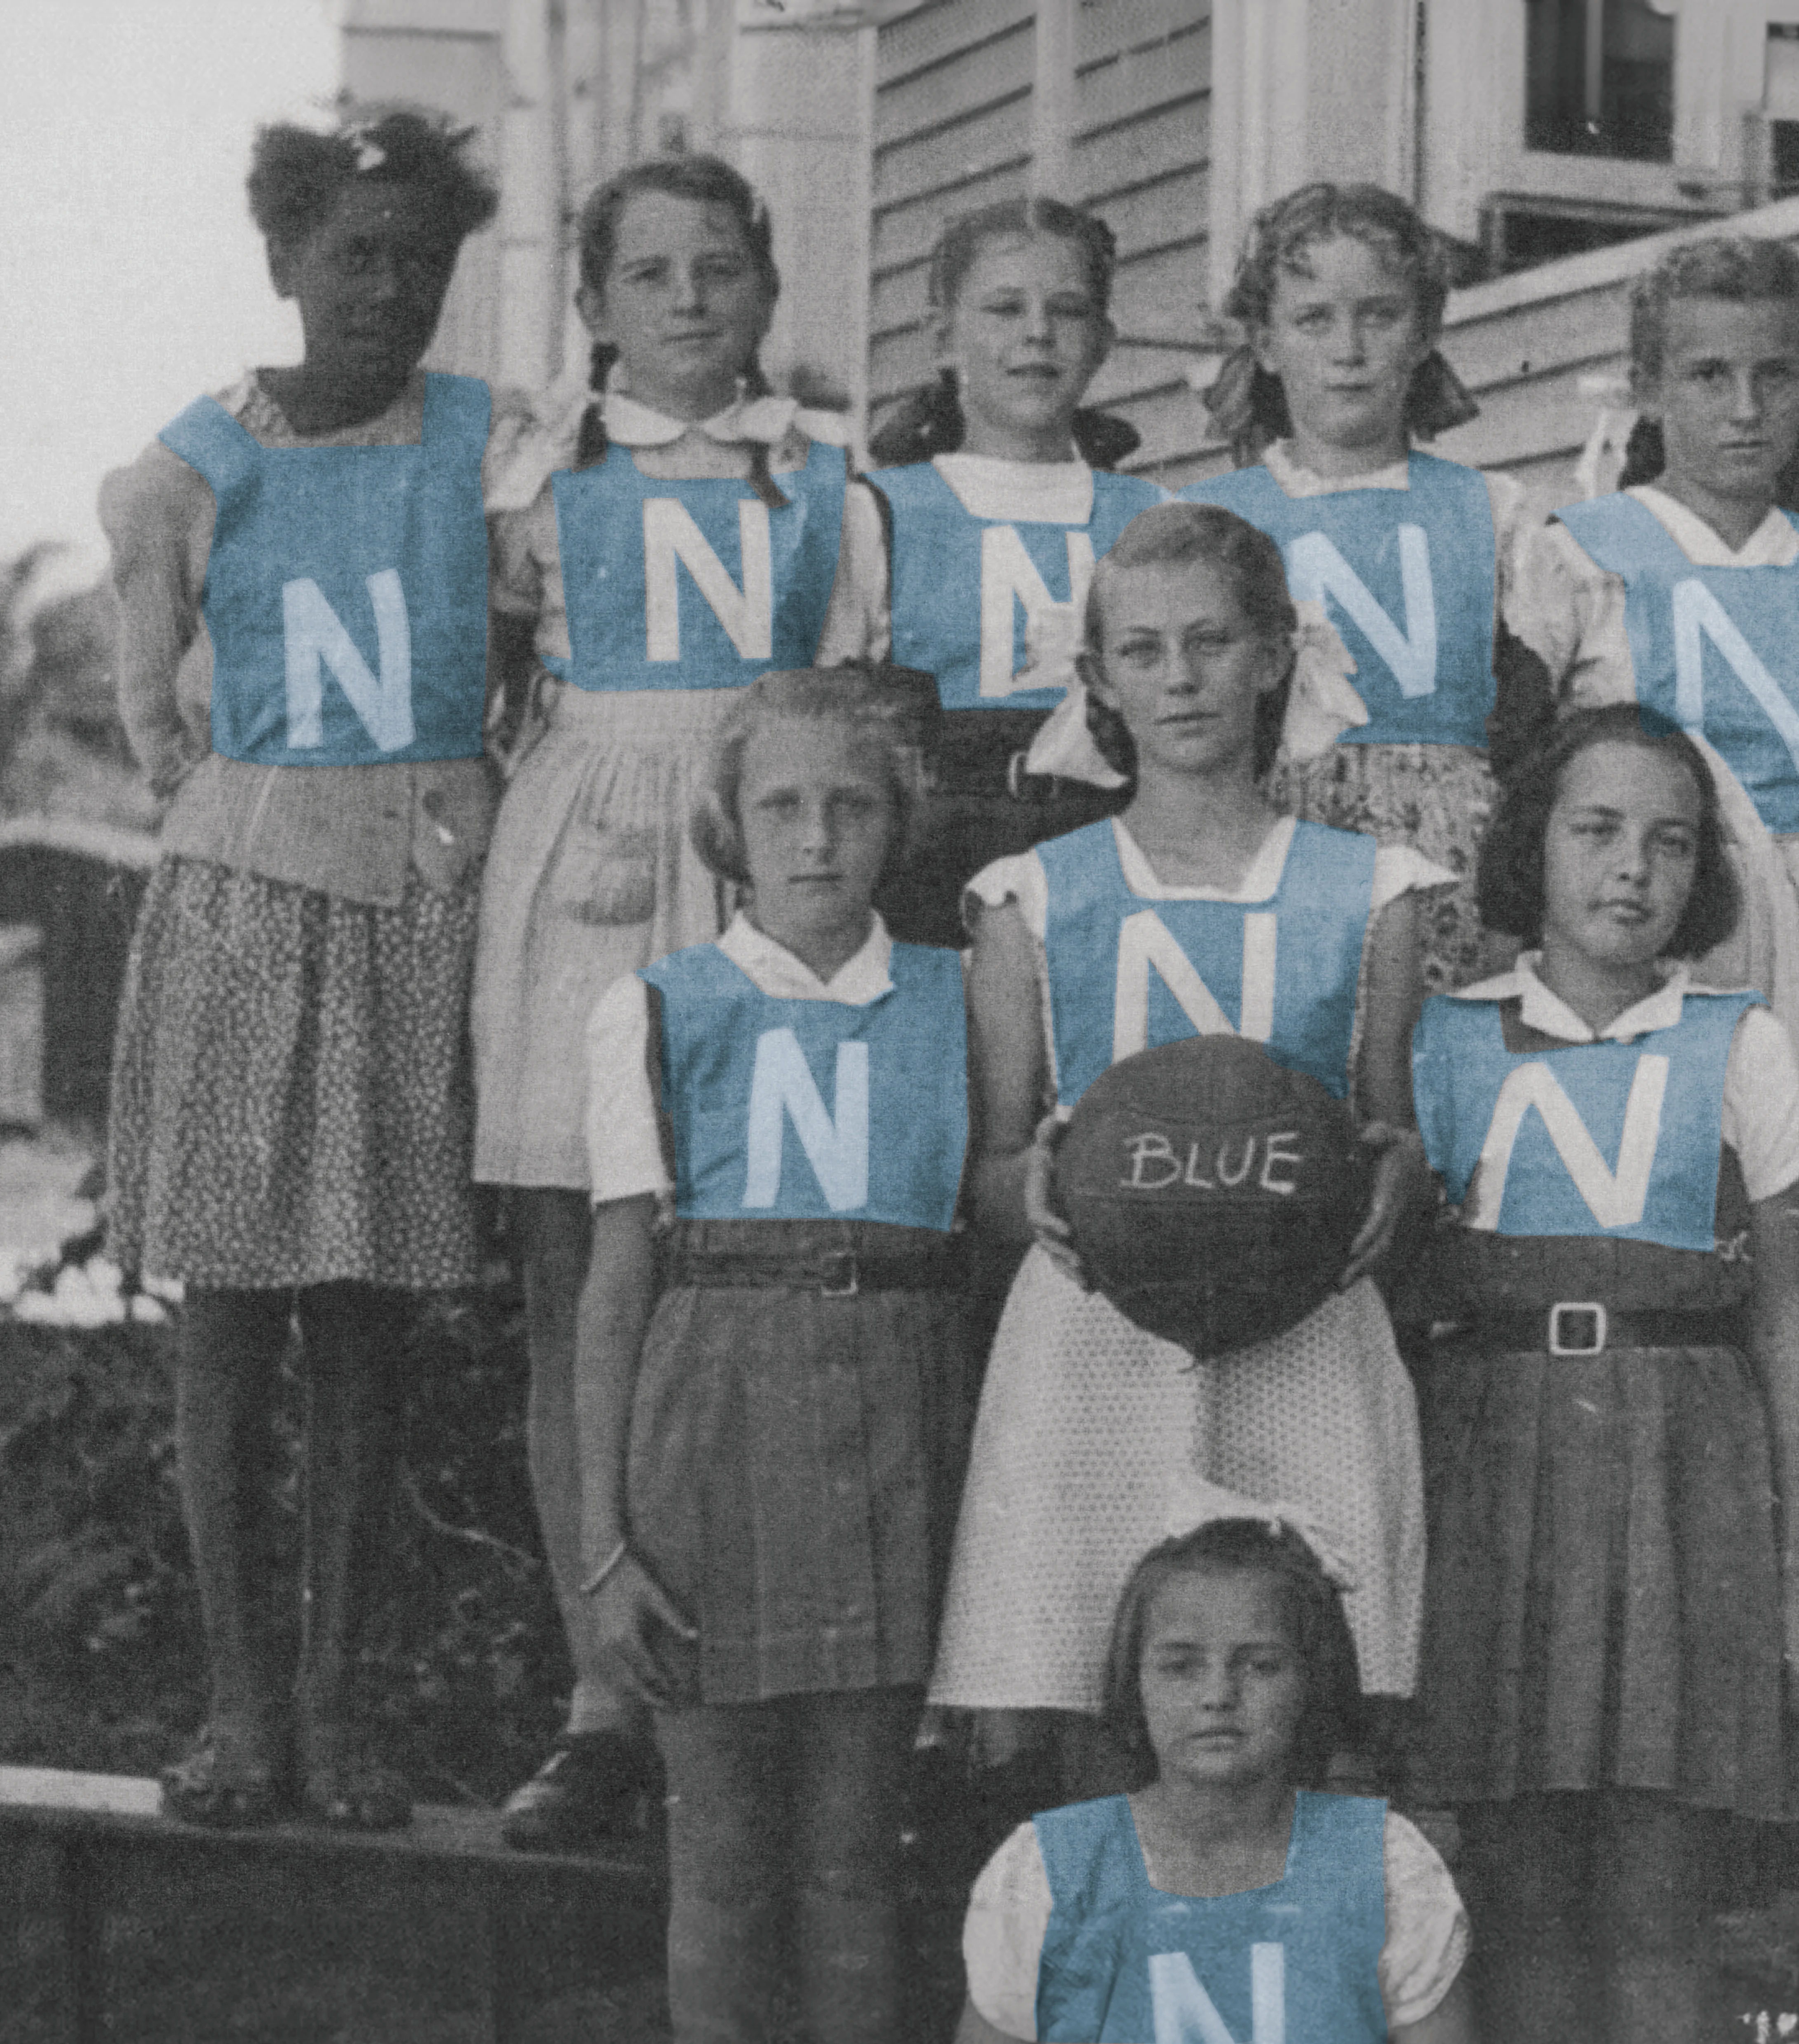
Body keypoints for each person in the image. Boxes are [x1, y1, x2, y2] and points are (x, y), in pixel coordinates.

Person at [101, 106, 529, 1831]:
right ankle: (240, 1712)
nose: (391, 288)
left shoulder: (488, 449)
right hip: (249, 902)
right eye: (357, 254)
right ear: (284, 259)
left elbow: (526, 645)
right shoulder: (195, 466)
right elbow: (154, 719)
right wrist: (261, 826)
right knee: (230, 1317)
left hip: (419, 911)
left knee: (365, 1323)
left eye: (422, 261)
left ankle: (343, 1714)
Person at [927, 502, 1442, 1784]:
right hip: (1099, 1336)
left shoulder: (1367, 888)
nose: (1181, 678)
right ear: (1098, 678)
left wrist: (1399, 1177)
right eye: (1144, 651)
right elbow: (995, 1165)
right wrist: (1030, 1191)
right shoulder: (1032, 896)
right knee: (1103, 1696)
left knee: (1296, 1696)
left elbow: (1392, 1126)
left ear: (1274, 655)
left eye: (1211, 642)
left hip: (1303, 1325)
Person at [471, 154, 859, 1848]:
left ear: (765, 291)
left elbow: (854, 695)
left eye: (719, 268)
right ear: (597, 304)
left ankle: (782, 1685)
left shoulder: (825, 476)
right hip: (586, 872)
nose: (689, 299)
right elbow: (489, 684)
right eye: (650, 273)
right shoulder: (538, 475)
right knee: (583, 1277)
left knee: (761, 1266)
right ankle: (600, 1691)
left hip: (773, 853)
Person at [1407, 706, 1799, 2040]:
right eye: (1596, 831)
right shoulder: (1445, 1041)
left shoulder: (1742, 1041)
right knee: (1523, 1879)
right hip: (1498, 1475)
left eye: (1667, 842)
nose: (1631, 871)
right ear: (1532, 844)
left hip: (1681, 1477)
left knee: (1661, 1886)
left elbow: (1786, 1320)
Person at [573, 665, 971, 2041]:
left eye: (851, 805)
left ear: (898, 823)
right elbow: (619, 1285)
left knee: (858, 1860)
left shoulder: (958, 998)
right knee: (726, 1864)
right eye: (783, 805)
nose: (817, 838)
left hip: (893, 1436)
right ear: (728, 826)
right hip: (713, 1437)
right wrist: (606, 1544)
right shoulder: (658, 1008)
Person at [1546, 236, 1799, 1337]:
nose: (1743, 409)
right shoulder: (1582, 553)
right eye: (1707, 377)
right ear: (1650, 388)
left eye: (1774, 376)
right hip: (1637, 936)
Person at [1182, 183, 1616, 992]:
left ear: (1423, 334)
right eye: (1315, 319)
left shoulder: (1491, 513)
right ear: (1267, 343)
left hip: (1458, 869)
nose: (1348, 348)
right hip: (1279, 857)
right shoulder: (1217, 521)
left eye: (1378, 316)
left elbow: (1543, 734)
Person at [956, 1508, 1474, 2044]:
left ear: (1311, 1682)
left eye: (1259, 1666)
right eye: (1181, 1666)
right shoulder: (1052, 1870)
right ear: (1135, 1683)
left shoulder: (1383, 1865)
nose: (1218, 1696)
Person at [827, 196, 1169, 947]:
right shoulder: (880, 511)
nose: (1038, 335)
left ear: (1105, 340)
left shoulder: (1150, 515)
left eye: (1069, 311)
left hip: (1112, 846)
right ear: (945, 340)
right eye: (1005, 310)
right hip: (934, 862)